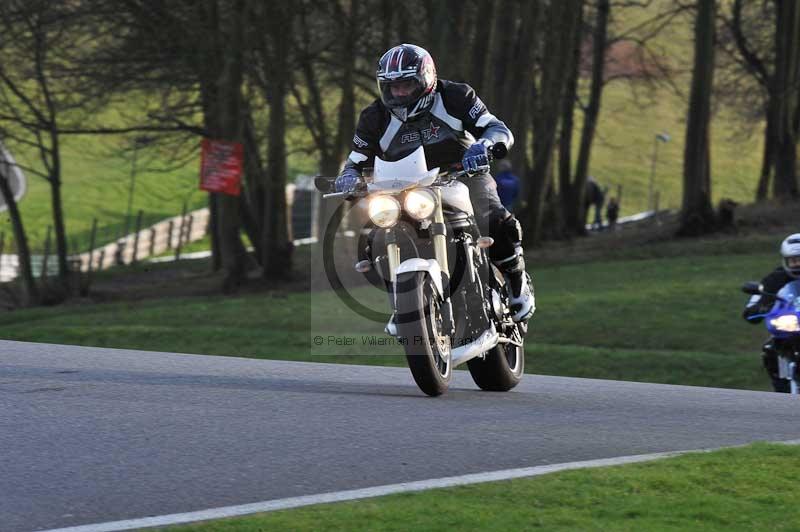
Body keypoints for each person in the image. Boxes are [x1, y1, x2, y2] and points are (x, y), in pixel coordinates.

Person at [334, 43, 534, 322]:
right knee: (374, 235)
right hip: (404, 187)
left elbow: (496, 127)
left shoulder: (455, 96)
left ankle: (516, 280)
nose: (399, 92)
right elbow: (356, 160)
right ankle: (403, 299)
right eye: (392, 86)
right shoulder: (374, 116)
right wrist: (348, 177)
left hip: (462, 175)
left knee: (493, 215)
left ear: (426, 79)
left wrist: (485, 146)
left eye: (406, 85)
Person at [742, 234, 800, 392]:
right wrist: (759, 308)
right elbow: (755, 302)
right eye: (794, 260)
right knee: (770, 349)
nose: (798, 264)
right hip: (791, 325)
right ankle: (781, 393)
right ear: (785, 260)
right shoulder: (774, 279)